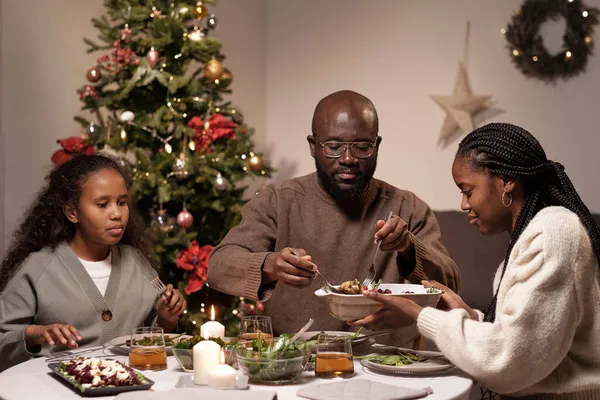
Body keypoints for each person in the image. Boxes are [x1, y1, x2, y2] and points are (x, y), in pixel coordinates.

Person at [354, 123, 600, 399]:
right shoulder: (534, 233)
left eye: (467, 191)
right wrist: (468, 316)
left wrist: (418, 314)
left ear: (506, 181)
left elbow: (510, 362)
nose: (463, 204)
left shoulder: (554, 231)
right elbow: (519, 340)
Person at [207, 90, 460, 346]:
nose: (348, 159)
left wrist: (408, 248)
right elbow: (218, 266)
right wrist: (269, 265)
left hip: (389, 365)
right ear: (312, 146)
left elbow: (450, 286)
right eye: (334, 147)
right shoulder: (279, 200)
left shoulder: (408, 207)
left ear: (376, 146)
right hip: (299, 363)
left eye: (361, 147)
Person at [0, 154, 186, 372]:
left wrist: (166, 319)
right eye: (102, 204)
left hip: (130, 387)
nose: (117, 214)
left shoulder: (137, 262)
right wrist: (33, 335)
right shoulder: (38, 268)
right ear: (72, 212)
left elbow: (153, 341)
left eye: (122, 202)